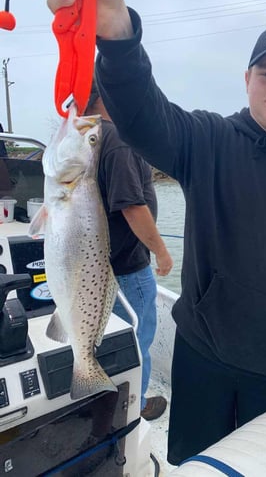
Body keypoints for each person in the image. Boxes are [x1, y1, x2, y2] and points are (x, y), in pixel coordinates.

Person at [46, 0, 266, 465]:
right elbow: (142, 115)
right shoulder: (208, 140)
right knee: (196, 465)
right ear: (247, 77)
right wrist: (114, 31)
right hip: (202, 355)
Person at [84, 81, 173, 421]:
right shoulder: (117, 140)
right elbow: (132, 207)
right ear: (106, 94)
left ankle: (100, 402)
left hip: (97, 269)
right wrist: (162, 252)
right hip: (128, 269)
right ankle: (133, 407)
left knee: (102, 341)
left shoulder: (84, 138)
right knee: (137, 343)